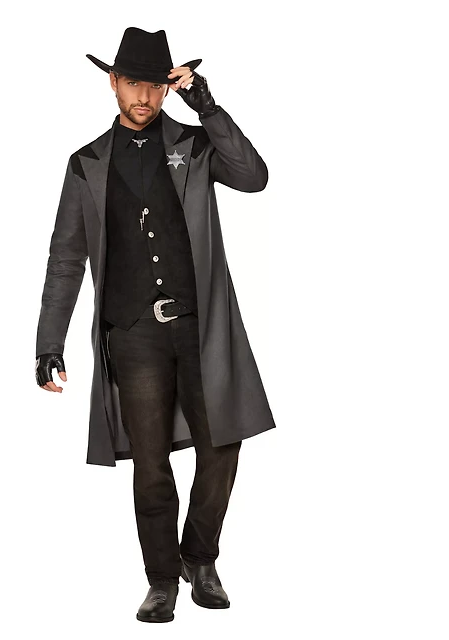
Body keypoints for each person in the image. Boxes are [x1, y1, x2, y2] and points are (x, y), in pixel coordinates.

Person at [35, 27, 276, 623]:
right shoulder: (86, 164)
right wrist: (49, 343)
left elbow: (253, 175)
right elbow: (65, 258)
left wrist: (206, 105)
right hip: (133, 332)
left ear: (168, 87)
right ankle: (162, 579)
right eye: (132, 84)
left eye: (154, 86)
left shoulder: (194, 144)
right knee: (150, 462)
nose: (142, 96)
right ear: (113, 83)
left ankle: (200, 556)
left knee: (222, 444)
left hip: (199, 325)